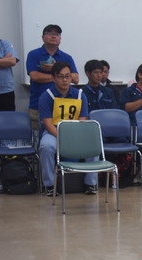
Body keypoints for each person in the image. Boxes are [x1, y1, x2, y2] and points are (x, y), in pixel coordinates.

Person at [37, 62, 94, 196]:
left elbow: (82, 120)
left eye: (67, 76)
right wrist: (64, 138)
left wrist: (74, 137)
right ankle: (50, 185)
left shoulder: (80, 95)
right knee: (46, 147)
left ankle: (90, 183)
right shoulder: (46, 96)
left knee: (92, 145)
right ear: (54, 78)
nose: (64, 80)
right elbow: (48, 124)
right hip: (54, 133)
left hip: (76, 132)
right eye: (60, 76)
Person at [26, 24, 79, 129]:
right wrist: (59, 75)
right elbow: (34, 76)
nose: (53, 36)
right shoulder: (34, 54)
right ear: (43, 37)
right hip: (38, 104)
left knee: (63, 135)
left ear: (60, 39)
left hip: (63, 107)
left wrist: (55, 68)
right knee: (38, 136)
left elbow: (76, 78)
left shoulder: (66, 57)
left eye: (57, 34)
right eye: (50, 33)